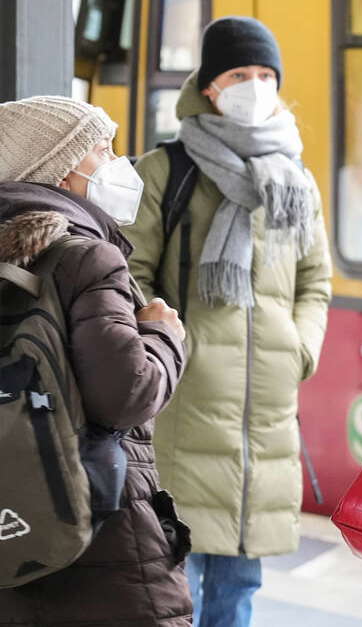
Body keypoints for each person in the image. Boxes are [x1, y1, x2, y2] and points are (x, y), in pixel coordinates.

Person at [123, 16, 333, 627]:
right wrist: (166, 345)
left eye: (266, 74)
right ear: (209, 86)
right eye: (240, 74)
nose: (255, 86)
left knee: (239, 589)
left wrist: (299, 349)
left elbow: (316, 282)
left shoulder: (295, 180)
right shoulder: (165, 171)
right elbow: (130, 273)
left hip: (265, 413)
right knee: (173, 582)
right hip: (182, 405)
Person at [0, 96, 191, 625]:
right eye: (102, 150)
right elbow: (126, 394)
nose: (117, 163)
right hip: (96, 537)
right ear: (60, 170)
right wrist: (164, 334)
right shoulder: (85, 257)